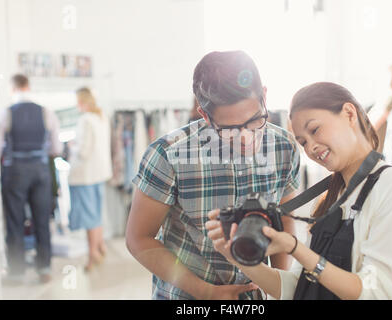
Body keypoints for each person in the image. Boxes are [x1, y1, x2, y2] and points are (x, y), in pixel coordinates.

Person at [206, 82, 392, 300]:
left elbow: (377, 291)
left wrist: (294, 248)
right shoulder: (329, 200)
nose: (311, 147)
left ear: (349, 113)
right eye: (303, 142)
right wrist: (235, 256)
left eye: (315, 130)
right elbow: (297, 287)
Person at [126, 50, 301, 300]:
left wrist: (279, 288)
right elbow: (139, 239)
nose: (246, 138)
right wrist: (205, 291)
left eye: (255, 121)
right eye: (230, 129)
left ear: (264, 96)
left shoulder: (284, 146)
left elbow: (283, 222)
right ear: (205, 115)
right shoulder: (168, 154)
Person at [0, 74, 63, 284]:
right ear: (28, 86)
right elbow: (56, 148)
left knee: (15, 221)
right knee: (42, 220)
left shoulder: (6, 113)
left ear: (13, 88)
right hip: (40, 171)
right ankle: (44, 268)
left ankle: (16, 272)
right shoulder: (46, 112)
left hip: (15, 170)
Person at [67, 87, 112, 272]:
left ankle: (92, 254)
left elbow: (83, 151)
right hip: (100, 173)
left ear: (82, 101)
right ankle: (100, 246)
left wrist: (71, 147)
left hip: (85, 175)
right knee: (96, 214)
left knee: (89, 217)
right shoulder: (101, 118)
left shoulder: (85, 120)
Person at [369, 64, 392, 153]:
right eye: (391, 73)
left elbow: (382, 116)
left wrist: (367, 132)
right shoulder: (384, 93)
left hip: (377, 134)